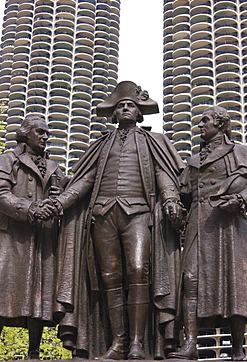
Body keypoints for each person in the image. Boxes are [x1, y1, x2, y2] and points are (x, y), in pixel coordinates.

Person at [42, 81, 185, 360]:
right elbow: (84, 182)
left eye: (130, 105)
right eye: (120, 106)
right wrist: (60, 203)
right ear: (114, 114)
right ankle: (118, 343)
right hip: (103, 214)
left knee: (138, 270)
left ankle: (136, 343)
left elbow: (163, 175)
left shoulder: (152, 141)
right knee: (109, 278)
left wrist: (170, 199)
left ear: (139, 112)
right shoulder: (101, 145)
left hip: (138, 213)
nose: (125, 109)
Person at [168, 106, 247, 361]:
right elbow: (183, 194)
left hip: (228, 225)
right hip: (197, 225)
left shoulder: (240, 152)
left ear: (221, 124)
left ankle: (237, 347)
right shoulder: (193, 161)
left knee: (234, 283)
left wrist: (241, 200)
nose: (200, 126)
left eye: (205, 121)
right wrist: (173, 207)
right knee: (190, 279)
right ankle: (190, 343)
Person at [0, 116, 66, 359]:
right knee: (4, 292)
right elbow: (1, 194)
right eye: (40, 132)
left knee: (39, 296)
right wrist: (30, 209)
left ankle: (34, 352)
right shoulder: (7, 160)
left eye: (47, 133)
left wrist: (59, 198)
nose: (45, 137)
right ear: (25, 134)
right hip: (13, 239)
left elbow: (69, 192)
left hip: (43, 239)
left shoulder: (53, 167)